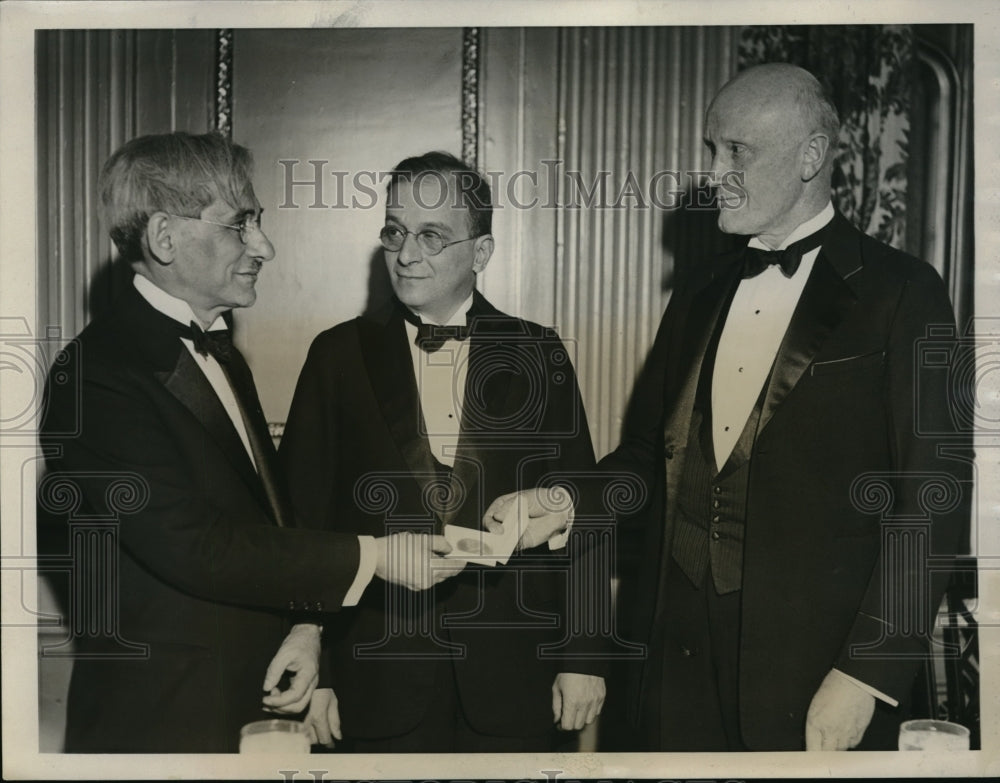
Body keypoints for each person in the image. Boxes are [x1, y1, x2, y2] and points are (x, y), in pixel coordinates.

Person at [486, 63, 970, 751]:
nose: (714, 172)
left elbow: (934, 491)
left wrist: (868, 671)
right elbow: (648, 458)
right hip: (671, 659)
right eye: (712, 150)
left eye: (735, 151)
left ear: (810, 156)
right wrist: (560, 501)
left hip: (816, 672)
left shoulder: (902, 292)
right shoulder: (700, 293)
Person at [38, 132, 462, 753]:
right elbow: (193, 545)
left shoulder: (221, 352)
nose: (264, 246)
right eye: (242, 225)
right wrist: (374, 557)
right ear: (164, 237)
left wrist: (305, 628)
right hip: (165, 725)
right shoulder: (95, 377)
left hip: (250, 703)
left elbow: (266, 517)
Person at [272, 151, 608, 752]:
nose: (406, 254)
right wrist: (314, 652)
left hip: (517, 676)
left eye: (431, 235)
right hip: (374, 677)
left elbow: (581, 505)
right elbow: (303, 521)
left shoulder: (539, 352)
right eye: (395, 232)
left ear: (480, 253)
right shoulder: (336, 357)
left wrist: (584, 655)